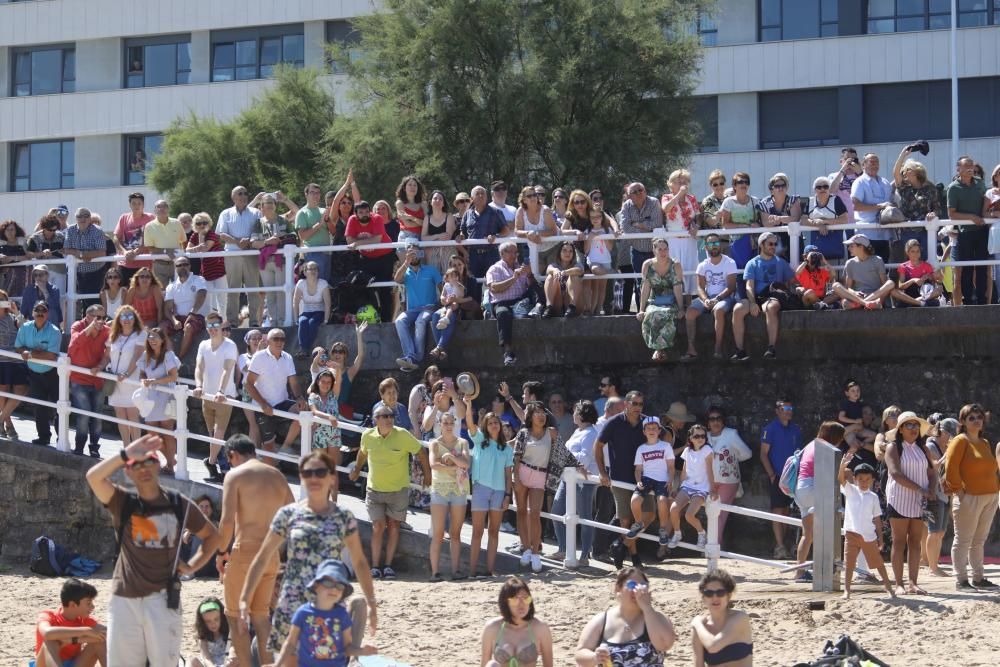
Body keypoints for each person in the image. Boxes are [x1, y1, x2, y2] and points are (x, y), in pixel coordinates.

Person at [85, 434, 220, 665]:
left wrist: (192, 565)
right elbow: (93, 477)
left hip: (163, 598)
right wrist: (126, 454)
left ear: (158, 465)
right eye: (136, 464)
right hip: (125, 598)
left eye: (149, 462)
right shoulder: (123, 501)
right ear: (128, 472)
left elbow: (212, 536)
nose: (143, 468)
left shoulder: (178, 503)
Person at [240, 451, 377, 660]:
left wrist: (372, 603)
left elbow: (359, 562)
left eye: (320, 472)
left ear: (332, 477)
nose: (313, 478)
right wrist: (244, 598)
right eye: (307, 473)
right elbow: (262, 557)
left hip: (328, 602)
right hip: (292, 601)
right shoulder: (288, 514)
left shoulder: (343, 517)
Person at [349, 403, 431, 579]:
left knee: (393, 527)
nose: (389, 419)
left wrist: (428, 475)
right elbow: (362, 453)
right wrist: (356, 469)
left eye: (391, 416)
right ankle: (375, 566)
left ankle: (387, 566)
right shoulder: (368, 436)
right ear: (376, 420)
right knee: (378, 527)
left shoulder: (402, 435)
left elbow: (421, 453)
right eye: (385, 416)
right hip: (374, 490)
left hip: (398, 490)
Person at [512, 401, 585, 573]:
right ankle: (526, 548)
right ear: (530, 416)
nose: (541, 415)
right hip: (523, 471)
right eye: (537, 412)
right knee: (521, 511)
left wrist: (578, 465)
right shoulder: (523, 433)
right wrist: (516, 478)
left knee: (535, 514)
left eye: (543, 412)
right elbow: (516, 457)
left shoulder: (551, 433)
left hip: (540, 475)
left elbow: (563, 452)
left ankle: (535, 552)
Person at [273, 559, 377, 667]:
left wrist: (361, 651)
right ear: (316, 586)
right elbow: (290, 643)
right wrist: (277, 664)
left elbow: (346, 647)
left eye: (339, 586)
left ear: (342, 593)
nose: (334, 589)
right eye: (328, 583)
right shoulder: (303, 613)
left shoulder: (342, 615)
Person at [943, 403, 1000, 591]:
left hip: (990, 497)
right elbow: (950, 469)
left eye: (979, 417)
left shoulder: (984, 443)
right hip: (969, 498)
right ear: (963, 422)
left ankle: (978, 578)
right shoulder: (960, 440)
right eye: (972, 418)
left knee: (979, 540)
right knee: (963, 540)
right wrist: (960, 492)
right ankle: (961, 580)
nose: (977, 421)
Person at [574, 567, 675, 667]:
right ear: (618, 589)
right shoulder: (602, 620)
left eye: (643, 586)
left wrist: (647, 608)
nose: (637, 591)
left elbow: (664, 645)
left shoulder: (656, 618)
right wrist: (595, 658)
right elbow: (580, 653)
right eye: (632, 585)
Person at [882, 411, 935, 595]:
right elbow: (896, 474)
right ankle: (899, 584)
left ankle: (913, 582)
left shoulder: (923, 448)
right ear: (901, 429)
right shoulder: (893, 448)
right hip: (899, 499)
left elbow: (931, 472)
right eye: (909, 425)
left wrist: (932, 489)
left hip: (919, 500)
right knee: (898, 542)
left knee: (915, 541)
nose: (914, 428)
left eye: (916, 425)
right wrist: (921, 489)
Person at [595, 391, 650, 569]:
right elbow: (598, 446)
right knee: (626, 520)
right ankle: (633, 557)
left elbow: (666, 436)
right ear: (626, 404)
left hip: (643, 478)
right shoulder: (614, 422)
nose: (638, 407)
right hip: (619, 478)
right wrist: (603, 473)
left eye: (640, 404)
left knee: (649, 514)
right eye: (634, 403)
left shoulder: (647, 422)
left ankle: (621, 545)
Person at [465, 400, 515, 577]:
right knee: (477, 531)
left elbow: (509, 475)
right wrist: (469, 406)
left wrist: (508, 495)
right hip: (480, 489)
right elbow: (470, 423)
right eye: (490, 423)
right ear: (486, 426)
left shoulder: (507, 449)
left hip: (499, 492)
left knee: (494, 531)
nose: (494, 425)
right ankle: (472, 571)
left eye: (496, 422)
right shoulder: (479, 440)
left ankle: (489, 570)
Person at [793, 421, 846, 583]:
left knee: (807, 534)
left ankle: (800, 572)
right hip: (813, 488)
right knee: (828, 529)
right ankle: (826, 570)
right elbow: (834, 473)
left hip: (801, 490)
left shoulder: (811, 444)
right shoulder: (826, 448)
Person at [549, 400, 600, 565]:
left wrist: (566, 459)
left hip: (583, 482)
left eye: (575, 412)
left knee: (584, 517)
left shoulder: (591, 433)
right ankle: (564, 548)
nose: (573, 415)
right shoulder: (578, 431)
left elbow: (583, 458)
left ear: (581, 414)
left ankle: (585, 555)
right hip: (568, 478)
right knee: (557, 512)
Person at [731, 231, 796, 361]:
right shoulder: (752, 263)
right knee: (737, 310)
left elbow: (793, 280)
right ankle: (740, 350)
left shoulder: (781, 262)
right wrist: (752, 302)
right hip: (755, 296)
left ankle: (771, 348)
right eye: (770, 244)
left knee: (772, 307)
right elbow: (749, 286)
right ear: (762, 245)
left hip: (772, 296)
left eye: (775, 244)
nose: (773, 247)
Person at [838, 455, 894, 600]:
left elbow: (877, 519)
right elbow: (841, 479)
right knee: (849, 564)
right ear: (855, 479)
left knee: (878, 564)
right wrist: (843, 465)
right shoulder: (850, 490)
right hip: (851, 533)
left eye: (867, 479)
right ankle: (847, 591)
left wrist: (881, 538)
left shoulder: (873, 497)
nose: (864, 482)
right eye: (861, 479)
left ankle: (888, 587)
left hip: (869, 535)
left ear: (872, 480)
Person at [192, 312, 239, 481]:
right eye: (209, 326)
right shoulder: (203, 345)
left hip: (224, 397)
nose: (212, 329)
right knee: (213, 435)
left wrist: (220, 390)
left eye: (215, 326)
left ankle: (212, 462)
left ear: (222, 326)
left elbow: (227, 369)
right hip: (207, 396)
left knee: (219, 434)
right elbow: (199, 367)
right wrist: (198, 386)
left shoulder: (230, 345)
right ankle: (220, 469)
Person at [246, 329, 306, 459]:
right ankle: (266, 468)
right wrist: (263, 404)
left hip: (281, 403)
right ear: (268, 341)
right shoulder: (259, 356)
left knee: (303, 411)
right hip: (263, 407)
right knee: (268, 449)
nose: (279, 342)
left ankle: (285, 447)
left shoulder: (288, 357)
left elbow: (293, 382)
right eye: (276, 339)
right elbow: (248, 384)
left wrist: (299, 397)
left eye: (282, 339)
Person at [428, 411, 471, 580]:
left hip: (458, 489)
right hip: (439, 488)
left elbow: (466, 464)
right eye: (445, 423)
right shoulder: (434, 443)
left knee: (455, 533)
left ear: (455, 424)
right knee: (438, 533)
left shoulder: (463, 442)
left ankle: (456, 571)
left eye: (450, 423)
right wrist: (455, 464)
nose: (448, 426)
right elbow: (433, 465)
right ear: (439, 424)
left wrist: (448, 458)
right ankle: (434, 572)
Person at [683, 233, 738, 360]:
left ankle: (717, 348)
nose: (714, 246)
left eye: (716, 243)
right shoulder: (702, 265)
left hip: (724, 298)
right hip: (707, 297)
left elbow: (731, 287)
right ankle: (691, 349)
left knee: (718, 310)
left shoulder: (729, 262)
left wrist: (717, 299)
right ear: (706, 247)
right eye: (710, 243)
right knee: (690, 312)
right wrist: (706, 299)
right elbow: (700, 288)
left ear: (720, 246)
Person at [759, 399, 802, 559]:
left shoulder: (796, 430)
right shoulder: (769, 429)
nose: (788, 411)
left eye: (791, 407)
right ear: (777, 410)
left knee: (787, 511)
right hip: (777, 476)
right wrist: (772, 475)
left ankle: (783, 544)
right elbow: (763, 454)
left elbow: (799, 453)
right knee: (777, 511)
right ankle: (779, 546)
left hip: (792, 477)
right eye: (785, 408)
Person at [15, 301, 61, 445]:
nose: (40, 313)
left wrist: (31, 353)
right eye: (37, 310)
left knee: (60, 407)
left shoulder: (54, 331)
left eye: (43, 311)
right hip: (34, 373)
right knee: (39, 407)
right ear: (33, 313)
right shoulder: (25, 328)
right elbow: (18, 346)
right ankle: (44, 437)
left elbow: (52, 356)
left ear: (47, 314)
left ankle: (62, 437)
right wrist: (24, 351)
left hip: (53, 374)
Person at [481, 577, 554, 667]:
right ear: (505, 602)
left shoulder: (540, 627)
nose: (521, 604)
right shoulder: (492, 627)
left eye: (526, 598)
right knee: (492, 665)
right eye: (515, 599)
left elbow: (548, 664)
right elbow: (484, 663)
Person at [217, 186, 263, 327]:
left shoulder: (256, 213)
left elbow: (260, 232)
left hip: (251, 254)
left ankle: (255, 322)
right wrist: (238, 241)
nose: (243, 196)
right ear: (233, 197)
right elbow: (221, 234)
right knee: (233, 289)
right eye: (240, 193)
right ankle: (232, 322)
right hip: (232, 254)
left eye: (245, 193)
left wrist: (248, 241)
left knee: (253, 289)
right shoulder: (226, 213)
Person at [486, 241, 538, 367]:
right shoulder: (495, 268)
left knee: (537, 291)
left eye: (516, 252)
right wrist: (514, 278)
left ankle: (540, 309)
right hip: (501, 302)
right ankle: (508, 351)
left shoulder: (520, 266)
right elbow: (494, 288)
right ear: (502, 253)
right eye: (511, 252)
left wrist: (530, 274)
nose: (514, 255)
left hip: (520, 301)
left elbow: (532, 286)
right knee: (503, 313)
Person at [68, 304, 110, 457]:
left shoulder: (106, 330)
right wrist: (91, 327)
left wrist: (100, 366)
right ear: (88, 316)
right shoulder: (78, 326)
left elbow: (108, 355)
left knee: (97, 415)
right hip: (79, 379)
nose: (101, 321)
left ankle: (94, 448)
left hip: (97, 379)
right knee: (84, 414)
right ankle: (79, 447)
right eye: (98, 317)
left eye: (103, 318)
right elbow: (74, 345)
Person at [136, 327, 180, 474]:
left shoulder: (168, 355)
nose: (152, 340)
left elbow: (173, 376)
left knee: (167, 432)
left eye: (155, 337)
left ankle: (170, 465)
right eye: (150, 337)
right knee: (152, 434)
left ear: (162, 340)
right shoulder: (145, 355)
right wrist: (144, 380)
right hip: (150, 398)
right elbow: (142, 373)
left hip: (166, 397)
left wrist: (154, 381)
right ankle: (170, 459)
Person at [34, 578, 106, 667]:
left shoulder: (84, 619)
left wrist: (73, 640)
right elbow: (47, 633)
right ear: (73, 605)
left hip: (74, 663)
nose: (93, 606)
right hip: (45, 664)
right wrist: (86, 631)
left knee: (99, 642)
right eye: (88, 603)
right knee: (50, 643)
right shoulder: (48, 616)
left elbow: (106, 634)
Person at [626, 416, 675, 546]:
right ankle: (638, 523)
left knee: (662, 501)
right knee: (634, 501)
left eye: (654, 428)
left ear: (659, 431)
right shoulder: (641, 449)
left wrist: (670, 480)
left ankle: (663, 529)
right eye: (648, 428)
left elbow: (671, 467)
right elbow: (638, 469)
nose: (651, 430)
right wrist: (638, 481)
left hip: (662, 479)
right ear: (644, 431)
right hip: (646, 479)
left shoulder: (666, 446)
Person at [705, 407, 751, 544]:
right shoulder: (703, 436)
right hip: (709, 480)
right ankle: (713, 545)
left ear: (723, 421)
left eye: (718, 418)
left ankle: (713, 546)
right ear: (708, 422)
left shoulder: (731, 434)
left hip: (728, 480)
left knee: (719, 514)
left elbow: (747, 453)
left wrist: (730, 459)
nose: (715, 422)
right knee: (710, 513)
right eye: (712, 419)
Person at [393, 243, 442, 371]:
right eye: (410, 253)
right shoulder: (405, 271)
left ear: (420, 254)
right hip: (412, 310)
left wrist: (442, 306)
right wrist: (406, 262)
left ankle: (415, 358)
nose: (413, 256)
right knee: (399, 321)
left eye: (415, 253)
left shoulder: (431, 270)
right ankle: (410, 356)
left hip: (429, 308)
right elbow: (397, 279)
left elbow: (442, 288)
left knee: (420, 321)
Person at [666, 424, 716, 549]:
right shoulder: (687, 451)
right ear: (690, 438)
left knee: (689, 515)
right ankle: (677, 533)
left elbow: (710, 471)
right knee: (673, 509)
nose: (700, 438)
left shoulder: (708, 450)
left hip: (702, 488)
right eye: (697, 436)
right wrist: (678, 489)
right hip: (687, 486)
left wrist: (713, 489)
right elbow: (684, 471)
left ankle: (701, 533)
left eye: (703, 436)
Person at [345, 200, 396, 322]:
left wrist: (357, 242)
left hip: (385, 257)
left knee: (385, 289)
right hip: (367, 259)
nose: (365, 214)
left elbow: (377, 240)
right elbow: (348, 241)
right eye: (361, 212)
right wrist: (362, 242)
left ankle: (386, 322)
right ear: (356, 214)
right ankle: (368, 319)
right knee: (364, 288)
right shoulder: (352, 220)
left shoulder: (377, 218)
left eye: (367, 211)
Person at [948, 156, 989, 305]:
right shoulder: (953, 187)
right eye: (967, 165)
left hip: (982, 231)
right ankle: (968, 301)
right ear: (958, 168)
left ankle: (982, 301)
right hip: (965, 233)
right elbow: (951, 214)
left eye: (972, 165)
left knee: (982, 267)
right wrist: (971, 217)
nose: (970, 168)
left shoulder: (980, 183)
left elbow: (988, 203)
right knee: (966, 269)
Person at [690, 569, 753, 667]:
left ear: (729, 595)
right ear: (703, 597)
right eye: (709, 593)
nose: (715, 597)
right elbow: (698, 664)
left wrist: (697, 624)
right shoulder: (702, 626)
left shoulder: (740, 618)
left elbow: (713, 646)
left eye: (720, 592)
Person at [636, 237, 684, 362]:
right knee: (650, 314)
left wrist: (681, 308)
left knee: (667, 313)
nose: (663, 252)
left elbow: (678, 288)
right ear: (654, 250)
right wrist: (641, 309)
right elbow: (645, 288)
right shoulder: (647, 265)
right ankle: (659, 349)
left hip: (671, 300)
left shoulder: (676, 264)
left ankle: (659, 350)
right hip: (655, 300)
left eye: (666, 249)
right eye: (660, 249)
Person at [619, 182, 665, 306]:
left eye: (641, 190)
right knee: (640, 282)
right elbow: (625, 228)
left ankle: (658, 310)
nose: (639, 193)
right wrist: (646, 227)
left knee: (658, 282)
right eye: (635, 192)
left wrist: (638, 224)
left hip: (654, 251)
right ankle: (642, 311)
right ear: (629, 196)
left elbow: (657, 224)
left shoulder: (654, 202)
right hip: (636, 251)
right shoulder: (626, 206)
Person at [924, 416, 958, 577]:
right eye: (951, 434)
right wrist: (949, 453)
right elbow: (935, 466)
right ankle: (932, 567)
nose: (952, 438)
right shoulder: (930, 445)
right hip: (933, 493)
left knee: (941, 532)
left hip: (944, 494)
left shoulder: (944, 446)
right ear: (943, 432)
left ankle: (935, 565)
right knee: (934, 531)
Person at [660, 169, 700, 294]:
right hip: (673, 239)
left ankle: (689, 301)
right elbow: (666, 208)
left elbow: (698, 215)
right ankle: (676, 302)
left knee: (689, 270)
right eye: (678, 182)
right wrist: (679, 195)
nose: (682, 184)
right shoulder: (666, 197)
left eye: (685, 182)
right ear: (670, 184)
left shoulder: (692, 199)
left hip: (689, 239)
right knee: (675, 270)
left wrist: (696, 225)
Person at [161, 255, 209, 360]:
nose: (182, 267)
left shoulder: (198, 279)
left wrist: (192, 313)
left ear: (190, 266)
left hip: (197, 316)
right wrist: (174, 321)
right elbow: (167, 309)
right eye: (179, 265)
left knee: (188, 327)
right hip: (179, 318)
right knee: (162, 328)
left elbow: (202, 294)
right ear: (175, 268)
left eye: (185, 264)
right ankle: (171, 357)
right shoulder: (171, 286)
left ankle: (179, 358)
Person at [63, 208, 109, 315]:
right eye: (80, 216)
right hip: (78, 272)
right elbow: (66, 250)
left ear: (90, 218)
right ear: (75, 218)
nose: (83, 218)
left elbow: (102, 252)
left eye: (86, 216)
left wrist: (83, 255)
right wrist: (83, 254)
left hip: (96, 272)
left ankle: (98, 322)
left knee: (95, 301)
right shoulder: (70, 230)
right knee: (83, 301)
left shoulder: (97, 230)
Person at [831, 234, 895, 309]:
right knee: (835, 286)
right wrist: (854, 293)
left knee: (890, 283)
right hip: (857, 297)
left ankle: (863, 303)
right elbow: (848, 288)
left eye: (852, 246)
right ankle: (866, 303)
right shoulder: (850, 263)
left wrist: (878, 297)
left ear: (861, 247)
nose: (848, 248)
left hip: (873, 295)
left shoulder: (877, 260)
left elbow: (884, 284)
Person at [850, 152, 894, 261]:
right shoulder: (859, 182)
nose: (875, 164)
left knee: (883, 269)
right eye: (871, 162)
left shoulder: (885, 182)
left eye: (877, 162)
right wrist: (879, 206)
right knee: (866, 270)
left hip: (885, 235)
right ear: (863, 165)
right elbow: (855, 205)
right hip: (866, 235)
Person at [460, 185, 510, 279]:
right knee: (475, 285)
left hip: (491, 254)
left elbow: (506, 230)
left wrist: (496, 236)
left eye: (483, 193)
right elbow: (463, 231)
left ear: (487, 197)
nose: (480, 196)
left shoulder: (496, 212)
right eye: (477, 194)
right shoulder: (467, 214)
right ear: (472, 199)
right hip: (473, 255)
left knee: (494, 282)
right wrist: (461, 236)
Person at [185, 212, 228, 317]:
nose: (202, 225)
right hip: (206, 271)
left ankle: (223, 322)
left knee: (222, 299)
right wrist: (198, 246)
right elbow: (187, 250)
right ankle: (209, 322)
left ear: (209, 223)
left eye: (204, 222)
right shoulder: (194, 235)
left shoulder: (212, 234)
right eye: (199, 223)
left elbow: (204, 248)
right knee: (207, 299)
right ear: (195, 225)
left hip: (218, 269)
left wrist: (198, 246)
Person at [718, 172, 763, 270]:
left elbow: (762, 221)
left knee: (754, 270)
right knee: (739, 273)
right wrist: (743, 226)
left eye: (746, 182)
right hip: (737, 244)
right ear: (734, 185)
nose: (744, 184)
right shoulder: (728, 202)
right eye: (740, 182)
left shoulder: (756, 201)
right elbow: (725, 224)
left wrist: (758, 224)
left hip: (754, 243)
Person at [514, 185, 560, 274]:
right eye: (529, 196)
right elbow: (517, 231)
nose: (533, 197)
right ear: (524, 200)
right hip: (535, 250)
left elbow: (553, 231)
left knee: (552, 274)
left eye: (534, 195)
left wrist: (536, 234)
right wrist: (528, 233)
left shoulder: (545, 210)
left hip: (553, 248)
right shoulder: (520, 211)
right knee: (534, 276)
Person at [801, 175, 848, 262]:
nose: (822, 189)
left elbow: (844, 219)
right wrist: (817, 224)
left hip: (835, 242)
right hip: (815, 242)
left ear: (829, 189)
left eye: (825, 186)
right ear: (814, 190)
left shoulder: (836, 200)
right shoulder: (809, 201)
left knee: (836, 269)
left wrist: (824, 222)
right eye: (819, 187)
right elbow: (803, 220)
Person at [0, 292, 27, 439]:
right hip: (1, 359)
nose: (1, 302)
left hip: (17, 358)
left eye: (3, 299)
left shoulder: (13, 317)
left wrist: (16, 311)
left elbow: (27, 327)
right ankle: (8, 423)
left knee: (21, 390)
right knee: (2, 392)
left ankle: (1, 420)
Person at [295, 183, 334, 282]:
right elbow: (303, 236)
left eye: (318, 193)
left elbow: (333, 232)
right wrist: (319, 224)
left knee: (325, 285)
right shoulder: (302, 213)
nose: (315, 195)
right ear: (306, 194)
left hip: (327, 253)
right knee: (315, 285)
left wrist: (328, 220)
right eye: (312, 192)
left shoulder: (324, 211)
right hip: (312, 254)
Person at [143, 200, 186, 288]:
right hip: (159, 265)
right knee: (162, 294)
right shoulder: (149, 226)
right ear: (155, 210)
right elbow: (149, 247)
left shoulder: (177, 223)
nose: (162, 209)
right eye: (159, 207)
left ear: (168, 209)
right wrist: (166, 251)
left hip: (177, 264)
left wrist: (182, 257)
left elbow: (183, 241)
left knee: (180, 291)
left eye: (165, 206)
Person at [293, 260, 331, 356]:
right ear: (305, 272)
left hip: (319, 312)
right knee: (302, 322)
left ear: (318, 272)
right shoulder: (301, 283)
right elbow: (295, 302)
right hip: (306, 311)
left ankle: (304, 349)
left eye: (315, 269)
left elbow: (327, 303)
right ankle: (303, 349)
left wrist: (326, 320)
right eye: (310, 269)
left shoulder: (323, 283)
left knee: (312, 323)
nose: (313, 271)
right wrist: (295, 319)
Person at [760, 173, 801, 260]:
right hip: (772, 241)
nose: (781, 188)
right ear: (772, 189)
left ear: (787, 187)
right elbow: (766, 223)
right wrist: (786, 219)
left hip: (791, 239)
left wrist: (778, 219)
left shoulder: (793, 200)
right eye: (777, 186)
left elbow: (796, 219)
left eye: (783, 185)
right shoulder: (764, 203)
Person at [429, 266, 465, 360]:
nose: (454, 278)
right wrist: (444, 299)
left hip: (456, 307)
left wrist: (456, 288)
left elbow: (461, 295)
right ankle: (441, 349)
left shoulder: (460, 285)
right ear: (447, 278)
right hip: (446, 306)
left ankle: (439, 348)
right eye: (451, 276)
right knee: (435, 315)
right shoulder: (446, 285)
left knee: (450, 315)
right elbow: (442, 297)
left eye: (456, 276)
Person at [894, 239, 943, 307]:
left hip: (924, 294)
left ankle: (918, 300)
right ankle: (917, 301)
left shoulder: (927, 266)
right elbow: (901, 286)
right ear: (907, 252)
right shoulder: (903, 266)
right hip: (909, 295)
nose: (915, 254)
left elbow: (934, 283)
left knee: (939, 289)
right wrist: (913, 280)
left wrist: (930, 277)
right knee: (894, 292)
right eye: (912, 252)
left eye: (917, 251)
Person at [542, 241, 585, 318]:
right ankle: (549, 307)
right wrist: (555, 270)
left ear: (573, 254)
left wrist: (565, 272)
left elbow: (580, 270)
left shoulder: (577, 264)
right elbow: (549, 269)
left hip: (573, 303)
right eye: (564, 250)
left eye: (570, 251)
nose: (567, 253)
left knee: (574, 276)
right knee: (550, 277)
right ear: (559, 253)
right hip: (558, 303)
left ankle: (572, 307)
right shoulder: (554, 265)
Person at [308, 368, 343, 458]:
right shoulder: (313, 396)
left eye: (328, 382)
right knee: (320, 466)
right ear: (318, 382)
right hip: (319, 434)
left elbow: (338, 381)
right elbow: (314, 411)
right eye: (323, 381)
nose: (325, 384)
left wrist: (337, 367)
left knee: (332, 465)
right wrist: (329, 417)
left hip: (334, 433)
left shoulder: (333, 394)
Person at [422, 190, 456, 274]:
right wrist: (438, 236)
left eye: (440, 199)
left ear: (443, 203)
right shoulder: (427, 218)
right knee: (434, 279)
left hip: (447, 251)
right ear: (430, 202)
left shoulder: (449, 216)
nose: (437, 200)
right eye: (435, 198)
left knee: (449, 277)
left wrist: (431, 239)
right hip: (431, 253)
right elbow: (423, 238)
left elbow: (447, 237)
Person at [189, 598, 230, 667]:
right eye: (208, 621)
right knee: (191, 659)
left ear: (222, 617)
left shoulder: (229, 632)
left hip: (228, 663)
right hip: (210, 664)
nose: (213, 624)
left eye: (216, 619)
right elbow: (206, 657)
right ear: (202, 622)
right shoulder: (203, 637)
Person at [829, 147, 863, 224]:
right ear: (841, 161)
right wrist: (843, 169)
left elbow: (870, 188)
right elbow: (831, 191)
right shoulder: (834, 176)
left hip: (859, 221)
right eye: (847, 159)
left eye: (853, 159)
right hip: (842, 221)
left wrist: (861, 172)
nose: (850, 162)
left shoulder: (862, 177)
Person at [124, 266, 164, 331]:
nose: (144, 279)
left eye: (147, 277)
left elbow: (160, 309)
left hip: (153, 321)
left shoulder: (155, 289)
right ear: (137, 279)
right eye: (142, 276)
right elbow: (125, 308)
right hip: (136, 321)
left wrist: (159, 327)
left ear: (151, 279)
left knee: (145, 330)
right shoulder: (132, 290)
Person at [0, 219, 29, 299]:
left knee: (21, 298)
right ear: (4, 231)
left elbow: (28, 256)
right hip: (5, 276)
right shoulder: (1, 243)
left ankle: (19, 311)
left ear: (16, 231)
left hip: (22, 275)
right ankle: (5, 310)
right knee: (5, 298)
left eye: (12, 229)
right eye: (7, 230)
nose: (10, 232)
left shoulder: (22, 241)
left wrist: (12, 258)